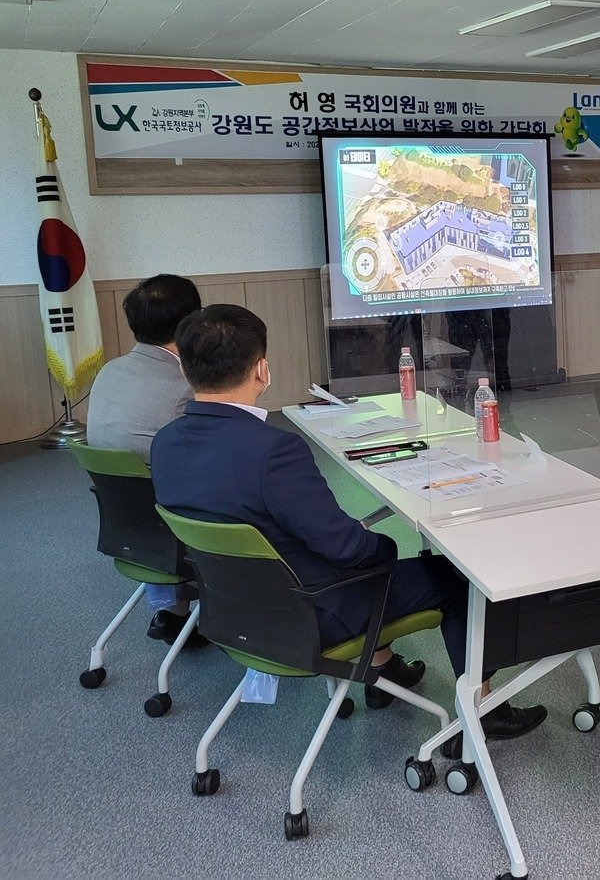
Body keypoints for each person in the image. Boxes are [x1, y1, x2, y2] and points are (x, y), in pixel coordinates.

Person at [150, 304, 546, 739]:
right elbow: (346, 548)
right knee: (454, 575)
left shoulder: (165, 443)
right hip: (309, 609)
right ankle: (484, 710)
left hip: (233, 607)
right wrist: (385, 547)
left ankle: (383, 673)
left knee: (360, 558)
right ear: (262, 369)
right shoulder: (273, 451)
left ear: (186, 370)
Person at [87, 273, 204, 645]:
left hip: (128, 525)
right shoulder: (184, 388)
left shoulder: (109, 371)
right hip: (176, 531)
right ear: (193, 323)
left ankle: (173, 612)